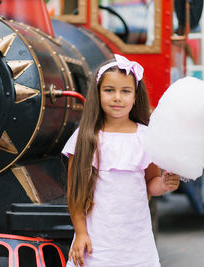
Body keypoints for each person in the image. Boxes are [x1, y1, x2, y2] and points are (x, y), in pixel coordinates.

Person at [62, 54, 180, 267]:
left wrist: (163, 184)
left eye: (125, 91)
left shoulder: (146, 137)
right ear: (98, 94)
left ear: (135, 97)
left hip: (136, 241)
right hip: (98, 241)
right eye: (109, 90)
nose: (117, 97)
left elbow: (149, 183)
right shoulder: (87, 137)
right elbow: (75, 192)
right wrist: (80, 233)